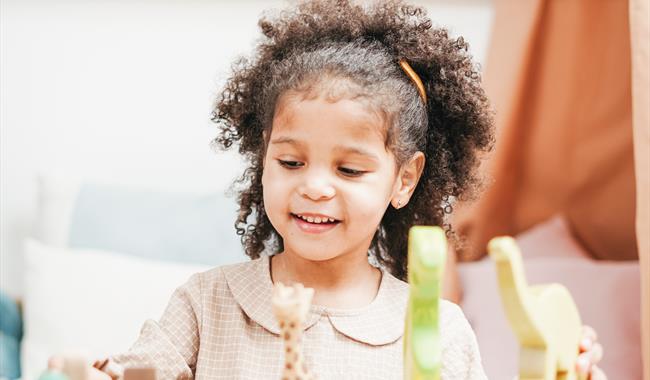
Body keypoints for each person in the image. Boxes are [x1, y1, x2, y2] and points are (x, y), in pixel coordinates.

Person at [75, 0, 601, 378]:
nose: (315, 187)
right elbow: (138, 370)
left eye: (350, 170)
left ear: (404, 179)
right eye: (290, 161)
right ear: (264, 159)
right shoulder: (206, 304)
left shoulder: (439, 330)